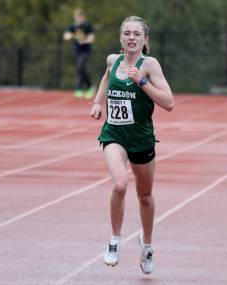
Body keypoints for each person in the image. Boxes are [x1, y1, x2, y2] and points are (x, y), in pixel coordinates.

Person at [90, 16, 174, 274]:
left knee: (145, 196)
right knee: (120, 184)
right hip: (114, 135)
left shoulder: (149, 65)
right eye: (127, 33)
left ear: (145, 40)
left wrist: (142, 81)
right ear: (121, 38)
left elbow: (169, 102)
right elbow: (105, 77)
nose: (131, 37)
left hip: (141, 139)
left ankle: (147, 245)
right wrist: (97, 101)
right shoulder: (112, 60)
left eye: (137, 34)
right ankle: (115, 241)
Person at [63, 8, 96, 99]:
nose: (79, 18)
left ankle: (79, 88)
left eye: (81, 16)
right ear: (75, 17)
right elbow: (66, 36)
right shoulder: (73, 26)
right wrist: (72, 36)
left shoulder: (87, 26)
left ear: (83, 17)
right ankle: (90, 87)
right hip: (77, 51)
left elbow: (92, 38)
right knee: (81, 68)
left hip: (86, 51)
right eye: (78, 16)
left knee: (80, 66)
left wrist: (84, 41)